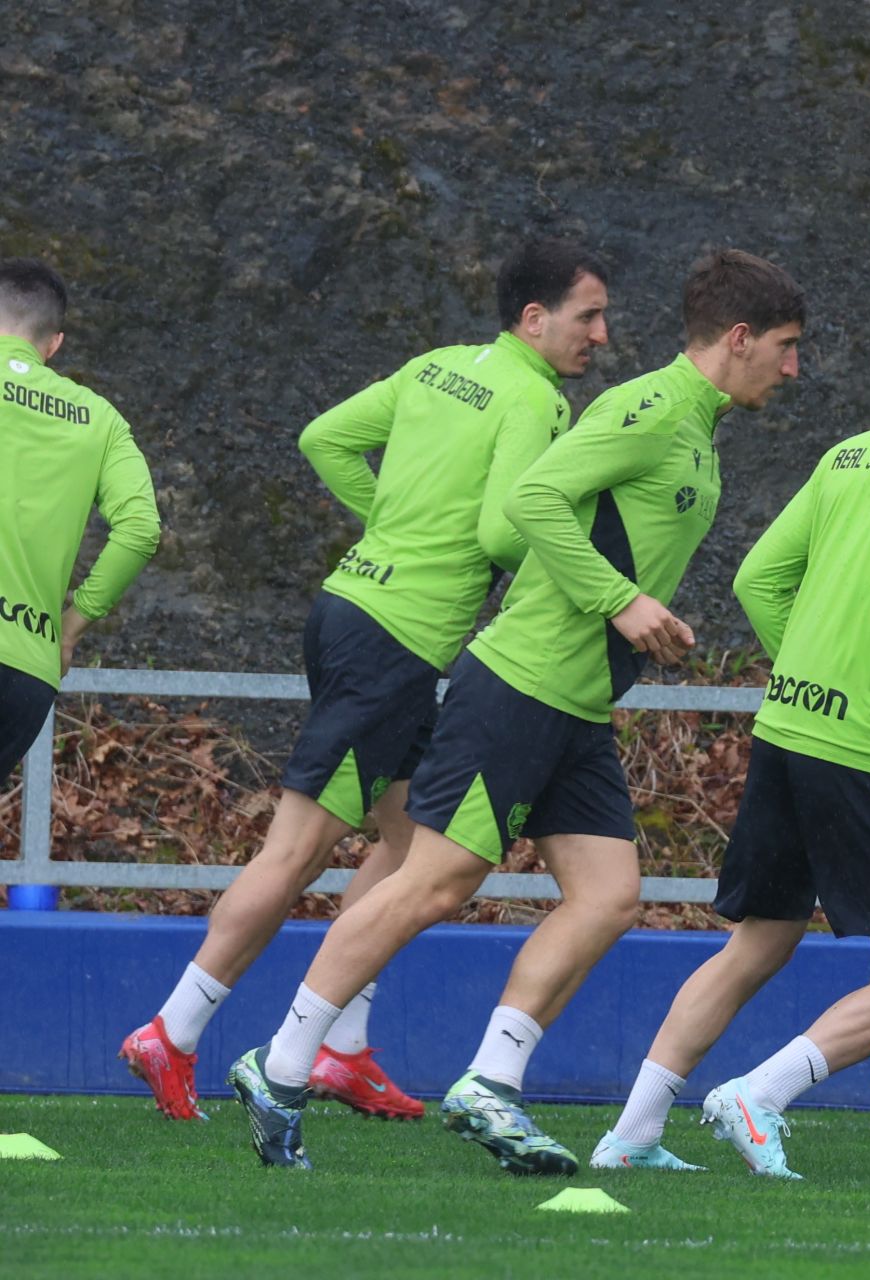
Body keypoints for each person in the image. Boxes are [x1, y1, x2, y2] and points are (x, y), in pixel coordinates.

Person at [225, 250, 805, 1171]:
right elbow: (534, 500)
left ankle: (489, 1084)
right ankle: (282, 1062)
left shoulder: (694, 426)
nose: (793, 367)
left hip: (574, 707)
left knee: (610, 898)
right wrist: (621, 601)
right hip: (520, 684)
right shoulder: (650, 409)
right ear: (740, 339)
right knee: (433, 883)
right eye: (785, 346)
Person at [121, 239, 607, 1123]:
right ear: (534, 319)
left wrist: (392, 523)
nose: (601, 337)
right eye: (589, 317)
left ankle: (342, 1048)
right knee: (297, 848)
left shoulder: (437, 366)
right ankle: (174, 1031)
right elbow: (504, 537)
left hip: (348, 609)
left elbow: (325, 439)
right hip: (398, 640)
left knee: (408, 844)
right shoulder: (538, 399)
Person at [591, 294, 870, 1179]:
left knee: (758, 942)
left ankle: (633, 1134)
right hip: (866, 754)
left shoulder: (855, 451)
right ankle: (757, 1093)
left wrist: (807, 665)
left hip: (788, 728)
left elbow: (762, 578)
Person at [0, 258, 159, 775]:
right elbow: (140, 529)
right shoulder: (102, 420)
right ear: (54, 344)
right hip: (27, 665)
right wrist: (67, 630)